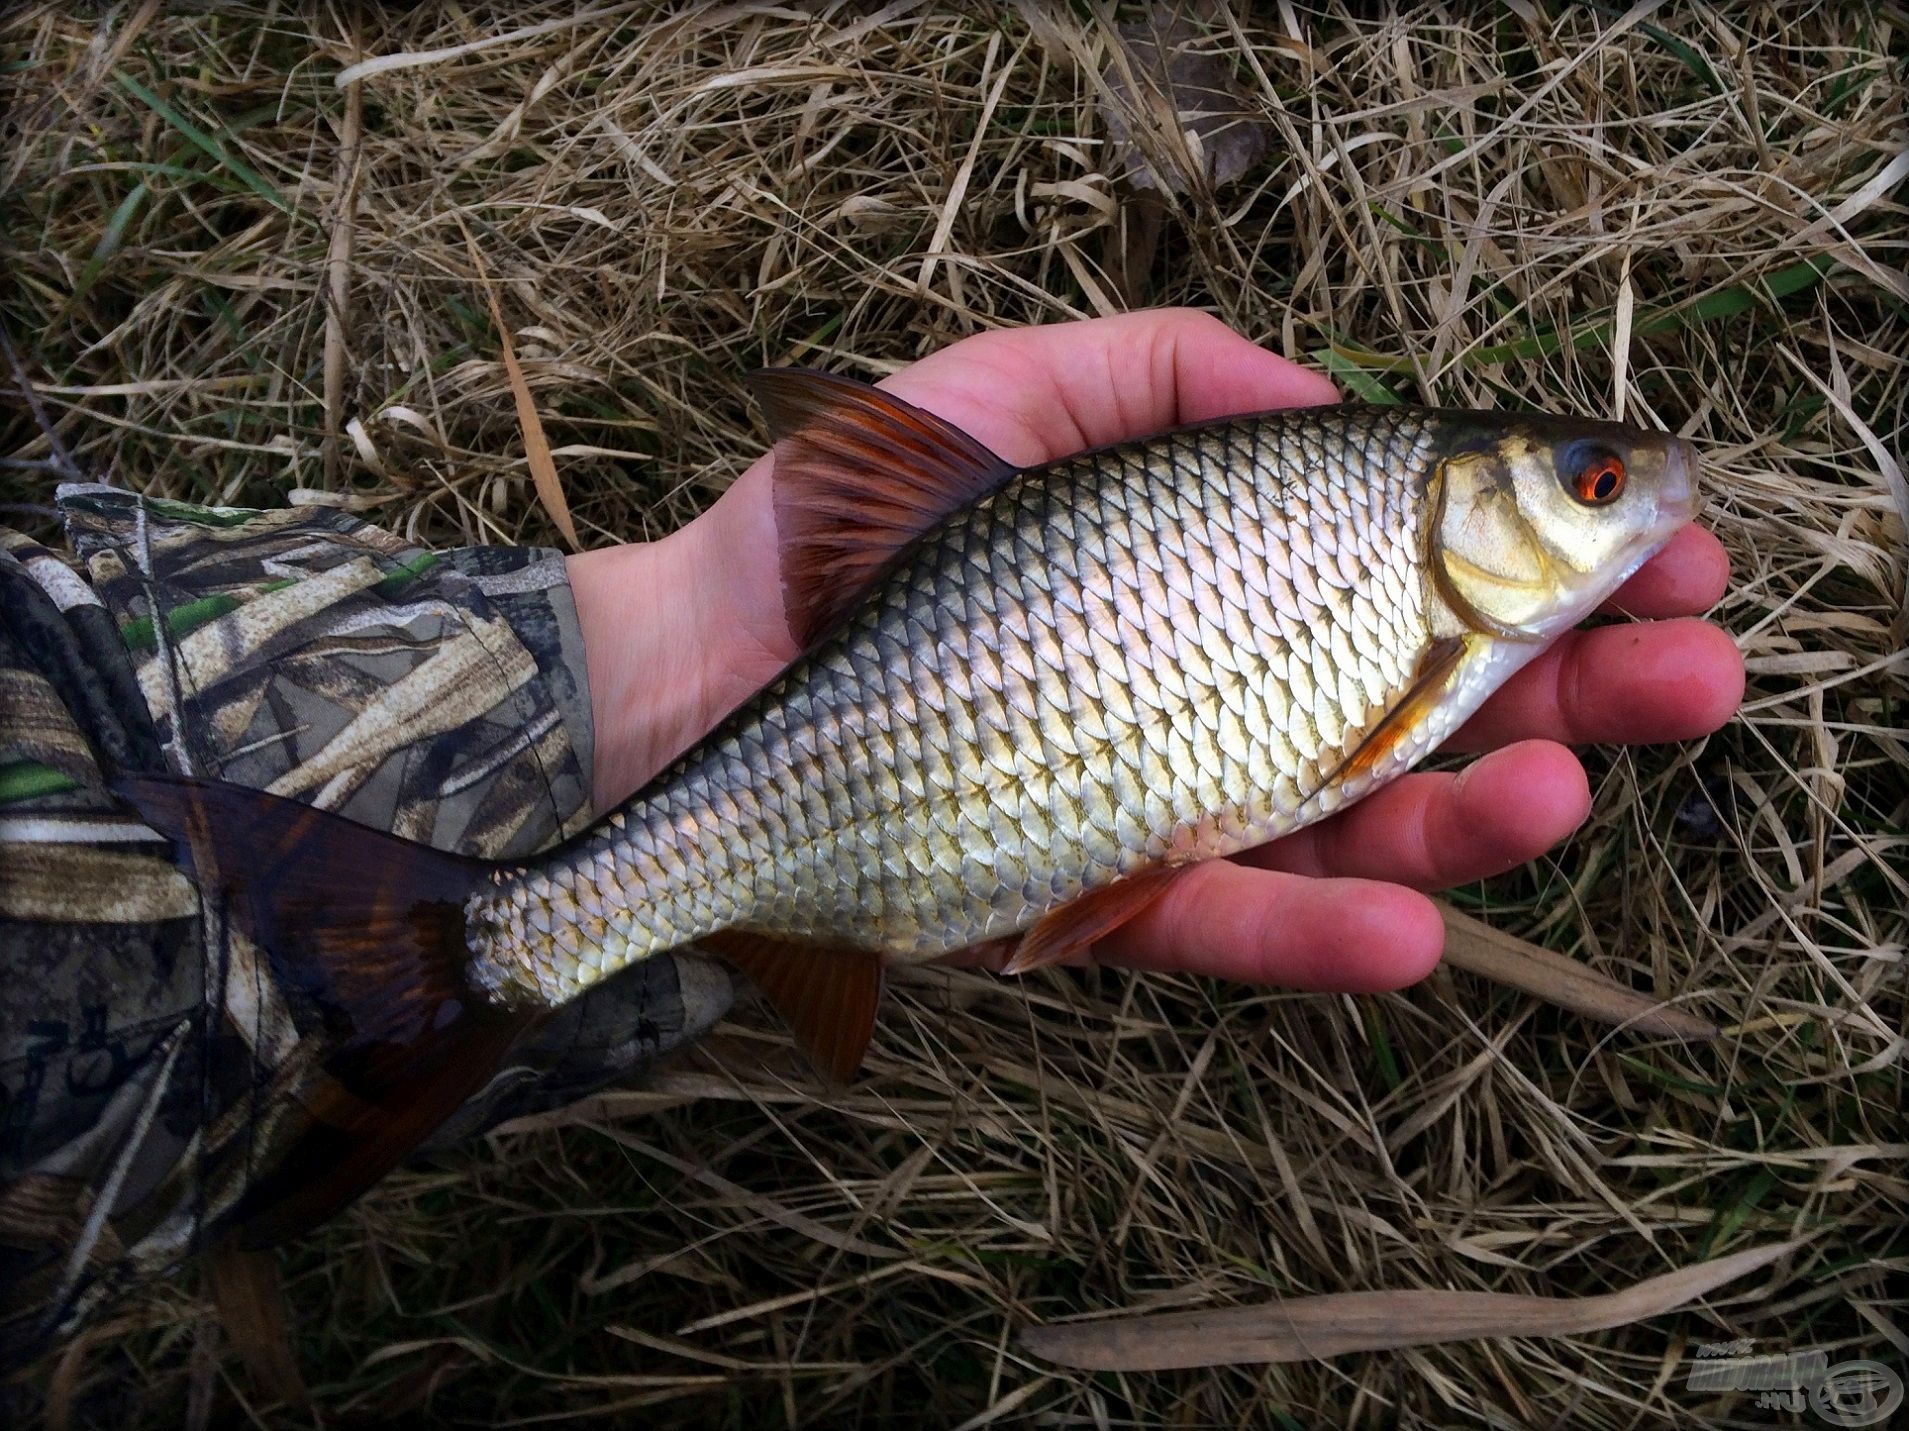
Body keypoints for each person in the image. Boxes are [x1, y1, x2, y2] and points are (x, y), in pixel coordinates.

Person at [0, 310, 1743, 1371]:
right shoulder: (1414, 600)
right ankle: (476, 955)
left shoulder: (1425, 600)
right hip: (887, 764)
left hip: (890, 788)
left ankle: (454, 959)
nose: (1635, 495)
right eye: (1594, 485)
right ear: (1478, 508)